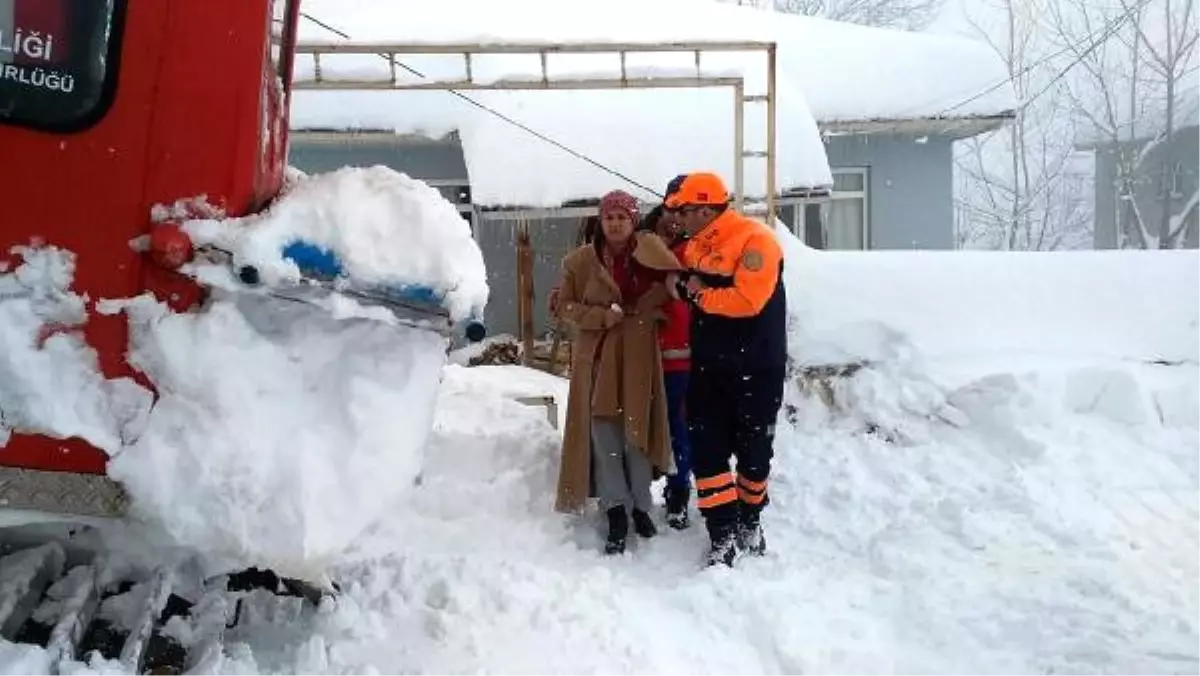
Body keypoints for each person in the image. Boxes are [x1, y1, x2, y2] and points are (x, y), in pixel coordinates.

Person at [664, 172, 787, 567]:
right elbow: (685, 284)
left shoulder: (757, 241)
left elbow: (746, 301)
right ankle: (721, 532)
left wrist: (699, 292)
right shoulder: (695, 246)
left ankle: (749, 521)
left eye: (682, 211)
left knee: (754, 456)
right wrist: (686, 287)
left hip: (756, 369)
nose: (678, 219)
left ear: (704, 208)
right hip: (709, 370)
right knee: (707, 453)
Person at [553, 189, 683, 555]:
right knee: (604, 435)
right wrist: (601, 316)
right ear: (601, 220)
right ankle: (615, 511)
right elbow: (563, 306)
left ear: (633, 220)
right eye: (609, 217)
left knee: (636, 434)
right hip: (596, 359)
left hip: (638, 357)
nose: (615, 224)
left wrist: (647, 310)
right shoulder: (580, 262)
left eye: (622, 217)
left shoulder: (652, 254)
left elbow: (673, 288)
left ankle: (641, 506)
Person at [639, 179, 694, 530]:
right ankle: (636, 499)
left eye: (686, 210)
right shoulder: (639, 242)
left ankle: (678, 496)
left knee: (681, 432)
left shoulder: (700, 247)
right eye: (675, 207)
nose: (678, 216)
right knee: (637, 432)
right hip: (642, 358)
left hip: (686, 361)